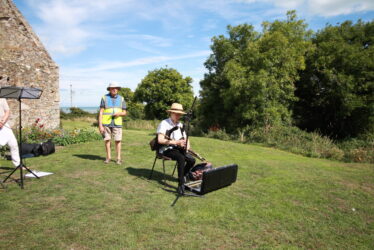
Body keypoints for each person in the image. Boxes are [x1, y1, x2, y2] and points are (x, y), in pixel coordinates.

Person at [156, 103, 195, 194]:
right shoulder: (164, 123)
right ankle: (181, 184)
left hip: (177, 149)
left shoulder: (180, 125)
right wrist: (176, 142)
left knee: (191, 160)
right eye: (176, 113)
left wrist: (187, 146)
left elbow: (186, 138)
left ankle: (183, 175)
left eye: (179, 114)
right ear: (171, 113)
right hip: (166, 149)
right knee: (181, 158)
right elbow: (160, 140)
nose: (178, 116)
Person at [98, 82, 127, 165]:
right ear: (109, 89)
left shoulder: (121, 99)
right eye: (113, 88)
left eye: (116, 88)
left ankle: (118, 158)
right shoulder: (104, 98)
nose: (115, 89)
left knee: (118, 141)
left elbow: (124, 112)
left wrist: (119, 114)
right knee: (107, 140)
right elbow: (101, 112)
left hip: (117, 123)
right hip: (106, 123)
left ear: (117, 89)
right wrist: (100, 125)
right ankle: (108, 157)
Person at [0, 76, 21, 168]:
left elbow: (7, 111)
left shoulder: (2, 98)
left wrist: (3, 121)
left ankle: (17, 165)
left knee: (13, 143)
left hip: (3, 124)